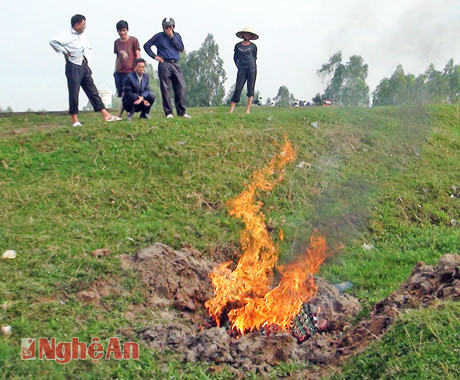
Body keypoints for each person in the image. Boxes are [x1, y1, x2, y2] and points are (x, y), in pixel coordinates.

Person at [50, 14, 122, 126]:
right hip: (73, 65)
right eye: (83, 24)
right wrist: (64, 51)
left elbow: (88, 47)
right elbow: (53, 42)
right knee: (74, 92)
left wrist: (86, 59)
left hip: (83, 65)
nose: (85, 26)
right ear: (77, 24)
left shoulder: (82, 36)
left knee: (92, 90)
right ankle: (74, 119)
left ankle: (105, 114)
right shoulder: (66, 35)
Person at [143, 17, 191, 119]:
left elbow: (181, 48)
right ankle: (168, 113)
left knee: (180, 87)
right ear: (163, 27)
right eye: (166, 27)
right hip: (164, 63)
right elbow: (146, 46)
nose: (168, 29)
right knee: (165, 88)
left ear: (173, 27)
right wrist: (154, 56)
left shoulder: (177, 36)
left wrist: (172, 37)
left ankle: (181, 112)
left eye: (169, 27)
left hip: (176, 63)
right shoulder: (158, 36)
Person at [113, 20, 141, 117]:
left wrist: (137, 68)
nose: (122, 33)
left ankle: (121, 113)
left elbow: (137, 54)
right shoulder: (116, 42)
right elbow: (117, 57)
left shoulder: (133, 40)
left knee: (127, 92)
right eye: (120, 31)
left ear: (127, 30)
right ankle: (127, 111)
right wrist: (115, 70)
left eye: (124, 30)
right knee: (121, 93)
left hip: (130, 71)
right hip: (120, 71)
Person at [229, 27, 258, 114]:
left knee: (250, 88)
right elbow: (235, 57)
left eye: (248, 34)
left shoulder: (253, 46)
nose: (247, 35)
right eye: (245, 34)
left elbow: (254, 57)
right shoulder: (238, 46)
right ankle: (231, 109)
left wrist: (252, 66)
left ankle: (248, 109)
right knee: (238, 88)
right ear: (243, 35)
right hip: (241, 69)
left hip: (251, 69)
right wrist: (238, 66)